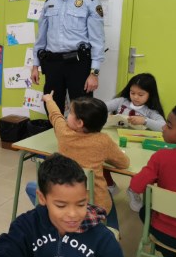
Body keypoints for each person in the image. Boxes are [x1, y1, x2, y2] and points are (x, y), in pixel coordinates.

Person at [0, 153, 143, 257]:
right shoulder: (27, 226)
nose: (73, 214)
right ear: (42, 198)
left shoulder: (102, 239)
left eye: (81, 204)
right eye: (61, 205)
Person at [25, 92, 129, 229]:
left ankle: (56, 219)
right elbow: (124, 163)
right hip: (94, 205)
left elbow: (56, 116)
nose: (67, 116)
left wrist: (49, 99)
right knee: (106, 192)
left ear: (79, 123)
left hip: (64, 198)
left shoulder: (64, 133)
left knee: (31, 187)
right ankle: (112, 231)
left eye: (70, 113)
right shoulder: (104, 141)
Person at [129, 103, 176, 257]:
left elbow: (135, 186)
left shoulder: (161, 157)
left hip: (165, 235)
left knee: (145, 211)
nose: (163, 128)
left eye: (169, 125)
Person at [31, 0, 105, 115]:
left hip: (78, 64)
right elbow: (41, 37)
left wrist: (94, 73)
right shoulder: (49, 2)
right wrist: (35, 65)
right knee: (51, 106)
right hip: (53, 63)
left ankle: (79, 133)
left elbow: (97, 40)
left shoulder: (89, 1)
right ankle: (56, 131)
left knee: (82, 110)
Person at [104, 73, 166, 197]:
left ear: (150, 94)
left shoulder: (149, 111)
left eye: (141, 94)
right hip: (116, 139)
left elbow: (163, 126)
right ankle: (110, 185)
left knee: (136, 168)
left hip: (136, 145)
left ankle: (133, 190)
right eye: (132, 93)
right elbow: (102, 106)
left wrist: (145, 121)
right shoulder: (122, 101)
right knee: (104, 160)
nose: (135, 97)